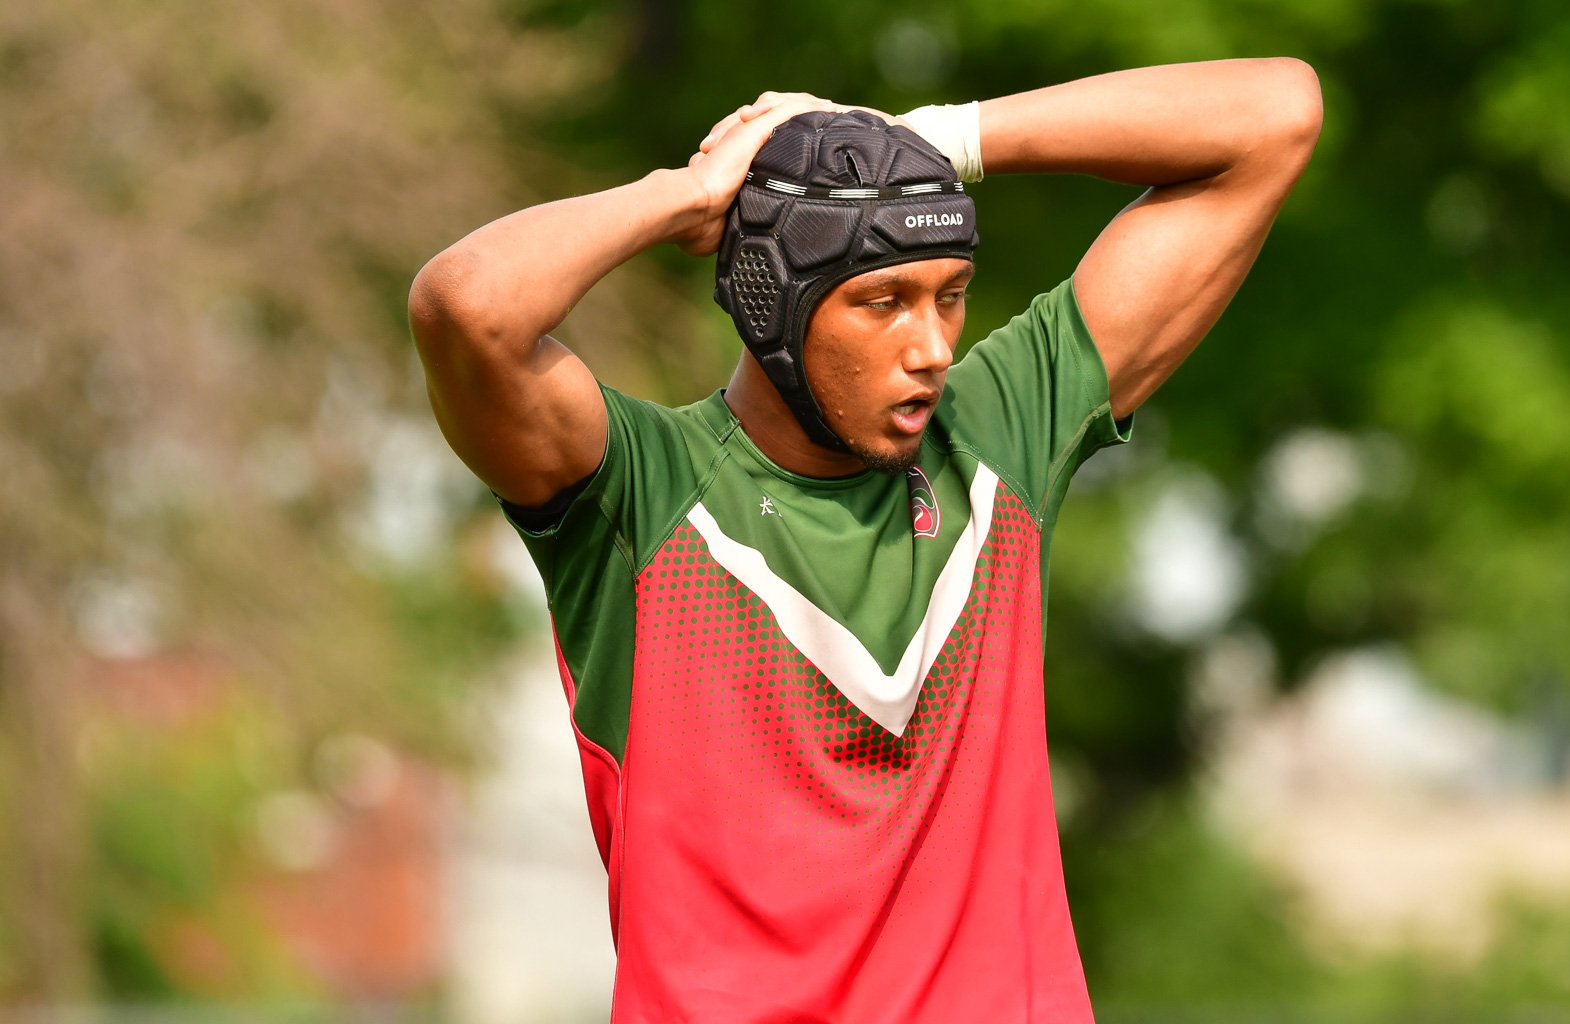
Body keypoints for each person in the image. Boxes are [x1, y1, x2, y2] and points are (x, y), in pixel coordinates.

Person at [408, 61, 1322, 1023]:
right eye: (883, 302)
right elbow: (467, 308)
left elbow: (1274, 116)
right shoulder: (644, 493)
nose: (933, 346)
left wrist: (928, 140)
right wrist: (695, 194)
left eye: (951, 295)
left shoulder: (999, 439)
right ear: (771, 299)